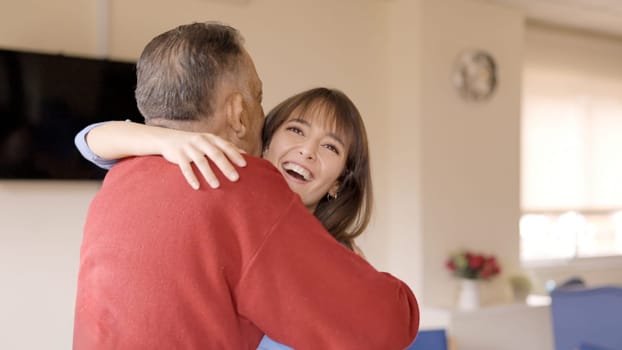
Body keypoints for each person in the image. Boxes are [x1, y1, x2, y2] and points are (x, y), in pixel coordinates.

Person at [73, 21, 419, 349]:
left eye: (331, 146)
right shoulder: (242, 186)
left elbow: (91, 140)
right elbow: (388, 324)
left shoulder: (121, 176)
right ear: (239, 114)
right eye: (259, 96)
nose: (307, 151)